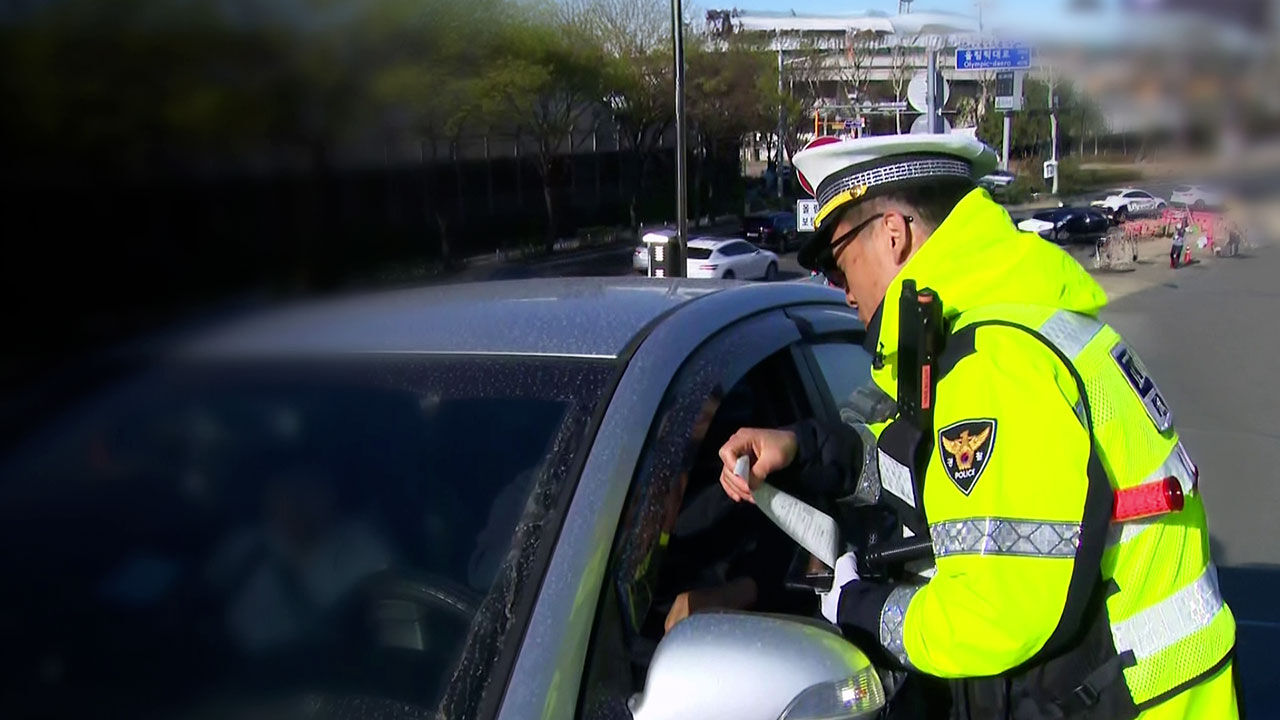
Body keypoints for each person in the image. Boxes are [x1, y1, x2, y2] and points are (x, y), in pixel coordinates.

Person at [717, 134, 1238, 719]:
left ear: (893, 234)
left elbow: (991, 615)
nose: (838, 285)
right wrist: (805, 449)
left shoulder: (993, 363)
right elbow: (930, 472)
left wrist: (859, 606)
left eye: (839, 259)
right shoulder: (1021, 319)